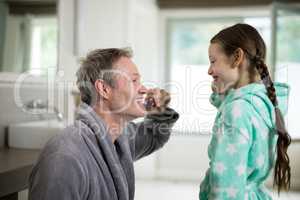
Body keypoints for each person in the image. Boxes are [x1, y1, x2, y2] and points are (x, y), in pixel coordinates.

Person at [28, 48, 179, 200]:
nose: (144, 89)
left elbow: (155, 135)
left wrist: (159, 108)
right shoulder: (65, 156)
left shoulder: (121, 139)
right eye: (134, 81)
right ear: (104, 89)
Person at [199, 24, 291, 199]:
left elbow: (226, 182)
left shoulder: (235, 110)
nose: (209, 70)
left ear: (237, 57)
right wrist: (222, 93)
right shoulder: (261, 103)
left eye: (213, 61)